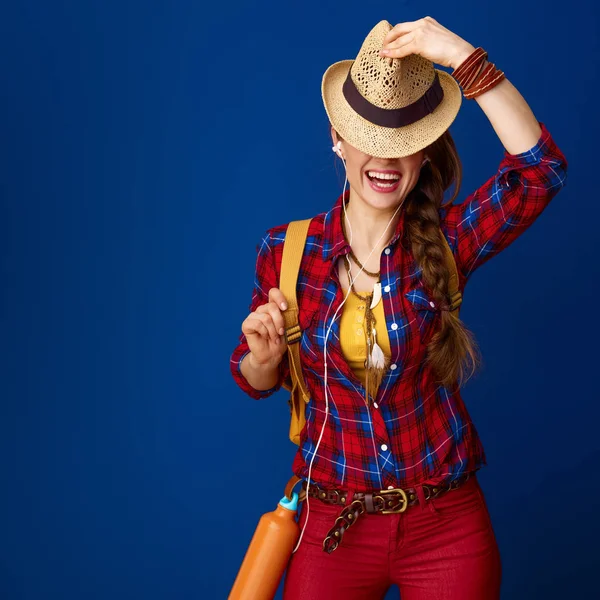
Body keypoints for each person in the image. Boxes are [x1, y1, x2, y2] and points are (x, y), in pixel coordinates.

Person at [229, 18, 567, 600]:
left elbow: (540, 170)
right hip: (333, 524)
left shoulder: (447, 243)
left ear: (425, 150)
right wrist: (261, 358)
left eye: (406, 141)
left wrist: (460, 56)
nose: (387, 158)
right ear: (338, 135)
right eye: (370, 135)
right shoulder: (285, 253)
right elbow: (256, 378)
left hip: (445, 526)